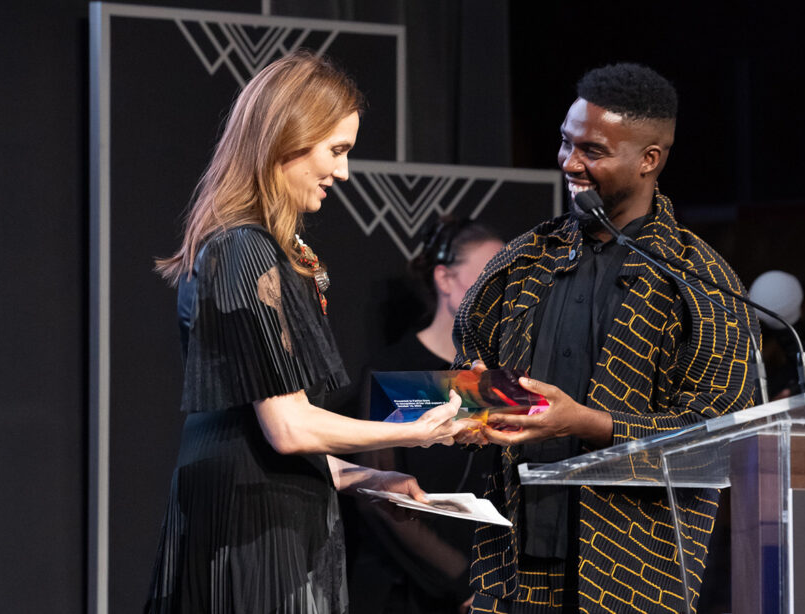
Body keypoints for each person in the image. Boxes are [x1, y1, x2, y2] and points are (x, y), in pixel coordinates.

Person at [145, 51, 469, 613]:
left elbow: (261, 436)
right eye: (336, 151)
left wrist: (366, 477)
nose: (343, 172)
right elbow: (288, 429)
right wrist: (414, 431)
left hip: (265, 514)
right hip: (251, 532)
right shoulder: (244, 250)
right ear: (285, 139)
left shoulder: (259, 250)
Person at [453, 63, 758, 613]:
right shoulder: (520, 263)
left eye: (592, 150)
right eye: (566, 143)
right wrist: (468, 410)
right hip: (512, 572)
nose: (570, 163)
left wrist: (590, 425)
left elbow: (724, 443)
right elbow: (470, 373)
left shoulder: (700, 283)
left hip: (635, 581)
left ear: (649, 160)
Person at [348, 218, 504, 614]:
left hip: (494, 589)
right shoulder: (395, 371)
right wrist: (460, 582)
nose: (502, 292)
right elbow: (378, 496)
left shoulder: (500, 379)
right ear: (445, 279)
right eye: (489, 276)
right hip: (408, 593)